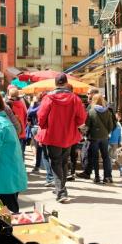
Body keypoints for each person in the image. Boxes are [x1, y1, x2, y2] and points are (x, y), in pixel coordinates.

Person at [37, 73, 87, 203]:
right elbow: (81, 118)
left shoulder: (49, 98)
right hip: (68, 135)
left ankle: (61, 191)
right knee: (64, 162)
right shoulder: (75, 98)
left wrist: (43, 126)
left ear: (55, 83)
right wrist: (74, 124)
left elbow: (41, 116)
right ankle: (61, 188)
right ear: (65, 83)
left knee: (56, 162)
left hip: (52, 135)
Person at [77, 94, 114, 184]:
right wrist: (106, 133)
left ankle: (97, 177)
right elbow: (111, 126)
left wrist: (84, 133)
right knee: (106, 157)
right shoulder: (107, 111)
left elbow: (87, 126)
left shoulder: (91, 111)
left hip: (93, 137)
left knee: (94, 157)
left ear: (94, 101)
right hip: (104, 137)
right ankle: (108, 177)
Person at [7, 88, 28, 157]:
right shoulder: (22, 104)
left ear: (9, 94)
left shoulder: (8, 104)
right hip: (21, 131)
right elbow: (26, 117)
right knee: (20, 153)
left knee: (12, 154)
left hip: (12, 132)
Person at [109, 112, 122, 177]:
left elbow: (109, 133)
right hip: (115, 143)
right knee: (113, 157)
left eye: (117, 116)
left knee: (109, 157)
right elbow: (120, 135)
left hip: (110, 142)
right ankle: (121, 168)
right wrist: (119, 142)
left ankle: (109, 172)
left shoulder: (114, 124)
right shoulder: (119, 125)